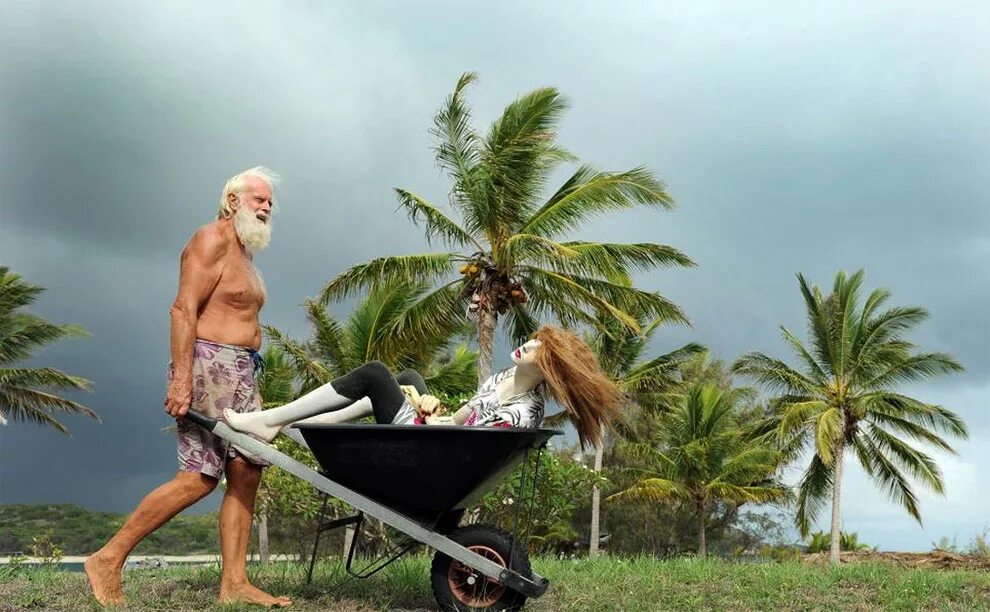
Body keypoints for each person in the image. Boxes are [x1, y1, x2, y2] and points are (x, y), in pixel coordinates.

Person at [85, 167, 291, 608]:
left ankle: (234, 583)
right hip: (207, 366)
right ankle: (107, 558)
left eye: (270, 202)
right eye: (259, 199)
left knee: (246, 471)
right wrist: (181, 379)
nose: (267, 207)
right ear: (233, 201)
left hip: (243, 370)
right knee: (198, 478)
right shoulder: (209, 239)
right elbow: (182, 310)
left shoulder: (246, 257)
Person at [225, 325, 622, 449]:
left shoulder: (524, 411)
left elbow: (470, 445)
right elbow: (465, 418)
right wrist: (436, 411)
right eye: (535, 339)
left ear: (550, 367)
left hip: (433, 453)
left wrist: (432, 426)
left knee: (376, 374)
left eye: (540, 348)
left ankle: (272, 421)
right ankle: (307, 426)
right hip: (437, 440)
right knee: (412, 380)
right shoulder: (502, 377)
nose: (529, 344)